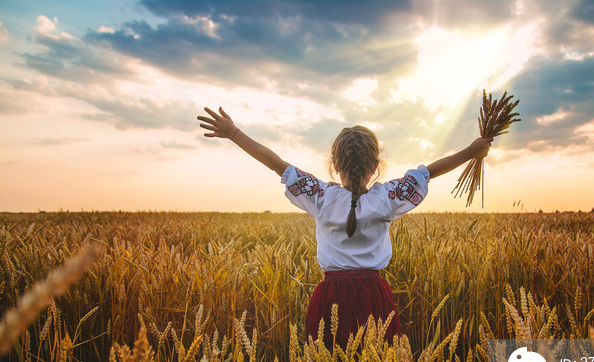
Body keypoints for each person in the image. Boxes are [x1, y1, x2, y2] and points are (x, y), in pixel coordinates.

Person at [198, 107, 492, 349]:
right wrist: (471, 150)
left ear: (334, 164)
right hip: (374, 294)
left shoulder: (321, 197)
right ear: (376, 165)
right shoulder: (387, 198)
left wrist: (234, 133)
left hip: (331, 297)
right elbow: (430, 171)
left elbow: (276, 163)